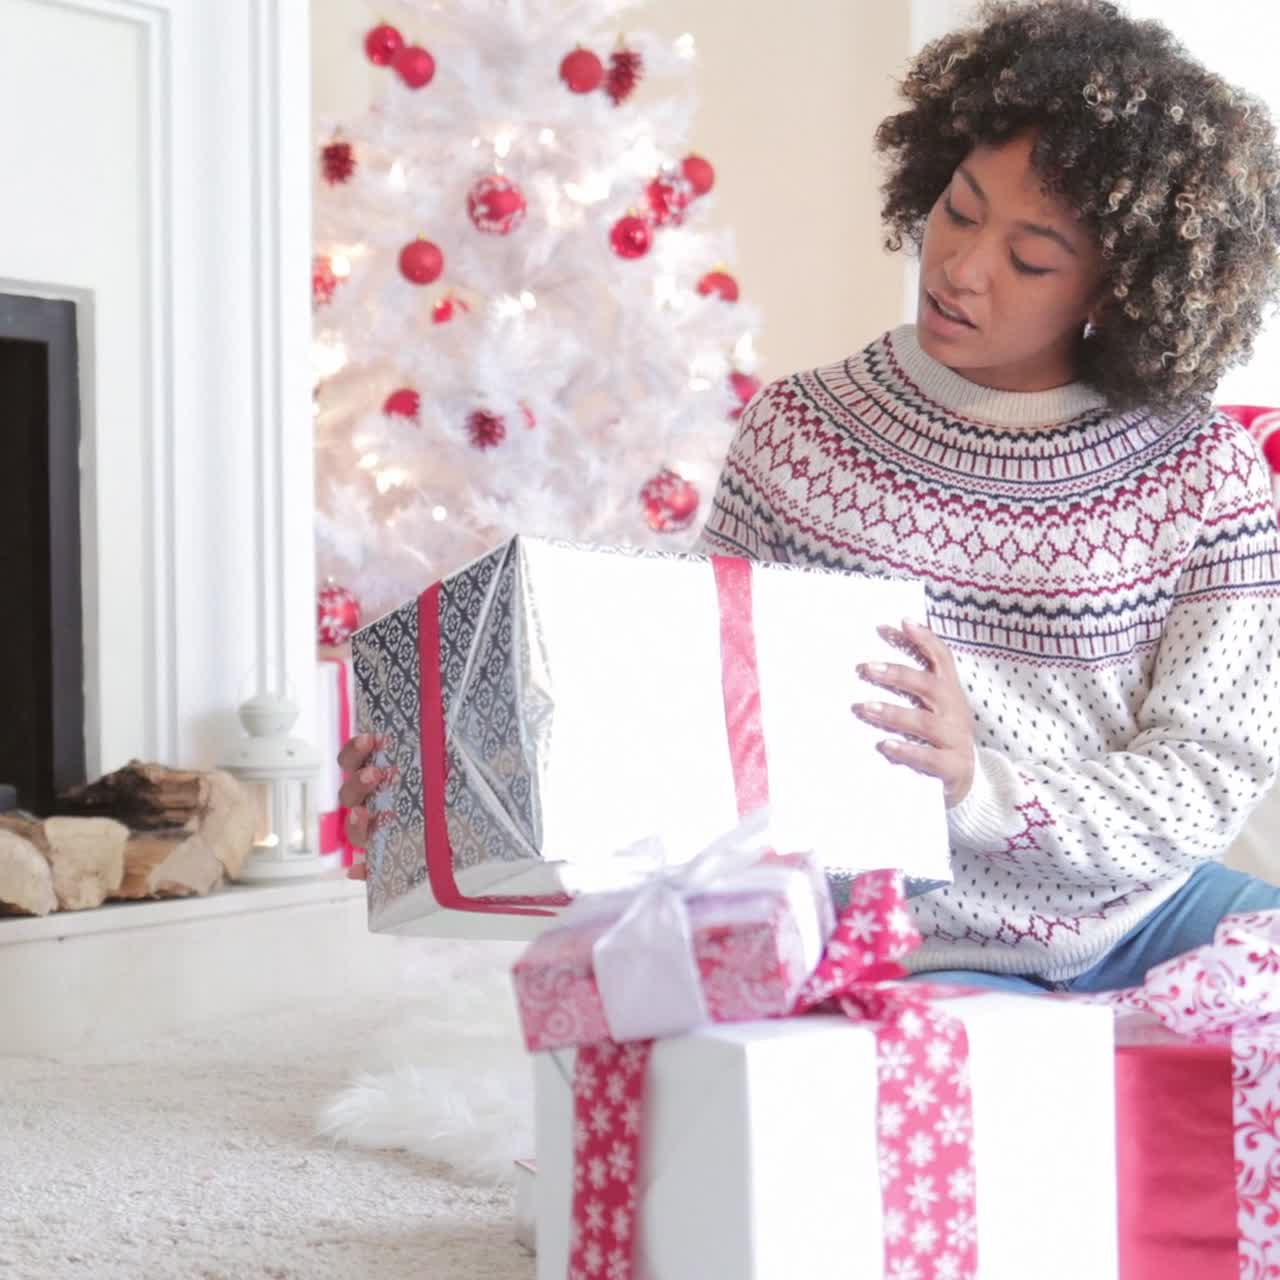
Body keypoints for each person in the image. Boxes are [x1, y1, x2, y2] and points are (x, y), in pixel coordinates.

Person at [339, 0, 1280, 995]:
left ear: (1116, 290)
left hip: (1143, 913)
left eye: (1029, 257)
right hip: (912, 943)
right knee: (945, 1100)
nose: (959, 268)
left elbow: (1204, 773)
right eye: (957, 210)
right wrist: (435, 793)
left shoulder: (1205, 477)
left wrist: (983, 783)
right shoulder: (801, 433)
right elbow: (697, 736)